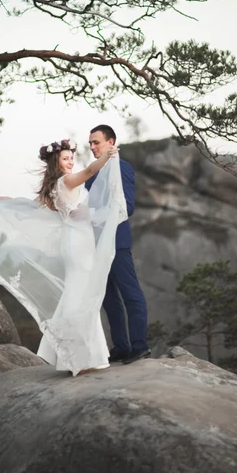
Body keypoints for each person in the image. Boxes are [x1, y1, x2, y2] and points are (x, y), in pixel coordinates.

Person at [0, 138, 127, 376]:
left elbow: (34, 207)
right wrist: (107, 155)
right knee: (79, 296)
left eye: (71, 158)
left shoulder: (57, 186)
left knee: (78, 294)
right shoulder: (67, 181)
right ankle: (75, 354)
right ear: (56, 163)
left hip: (79, 243)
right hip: (78, 246)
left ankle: (74, 354)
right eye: (65, 158)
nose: (70, 162)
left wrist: (8, 202)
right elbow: (90, 170)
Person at [86, 125, 150, 364]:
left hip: (117, 242)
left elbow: (129, 206)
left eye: (96, 142)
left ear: (111, 143)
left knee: (131, 294)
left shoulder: (122, 168)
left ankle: (140, 346)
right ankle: (121, 347)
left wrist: (98, 215)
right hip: (95, 245)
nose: (92, 147)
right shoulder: (90, 175)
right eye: (90, 144)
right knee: (109, 300)